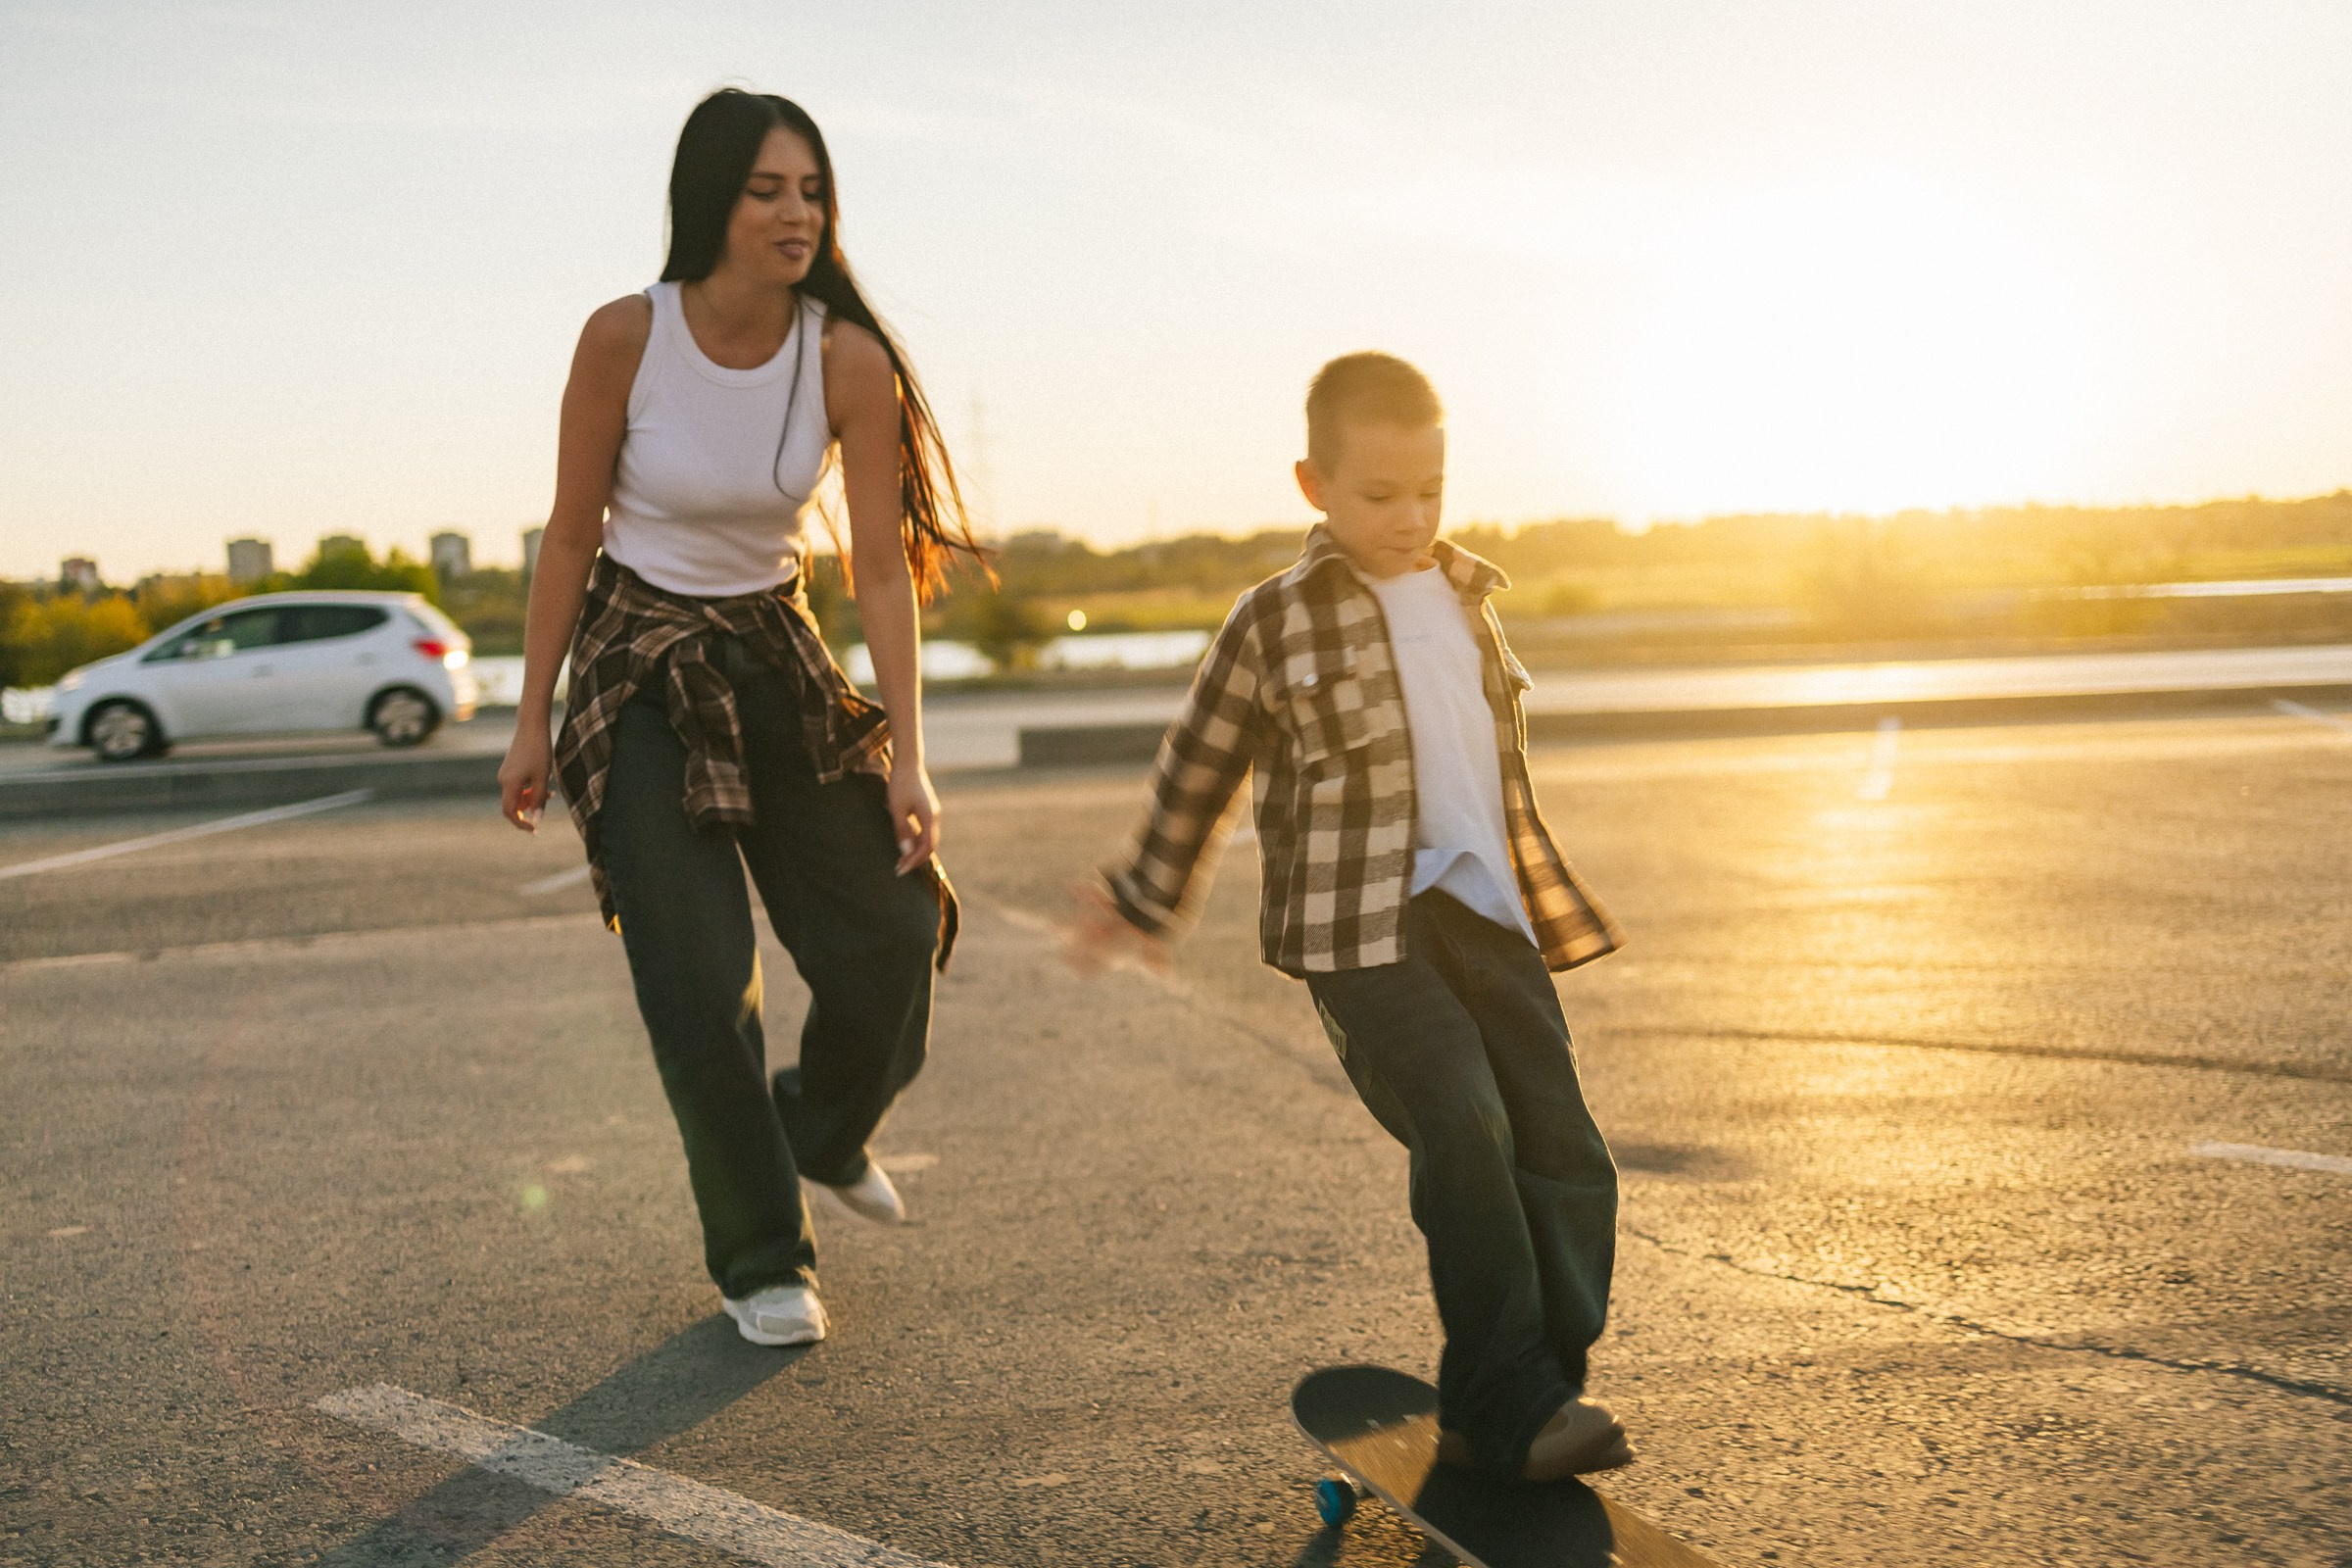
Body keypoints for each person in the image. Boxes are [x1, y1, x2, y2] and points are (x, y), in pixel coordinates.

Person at [1069, 353, 1633, 1481]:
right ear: (1313, 485)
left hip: (1486, 918)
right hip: (1361, 930)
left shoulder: (1470, 601)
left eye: (1431, 489)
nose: (1411, 517)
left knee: (1566, 1151)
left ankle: (1517, 1386)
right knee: (1467, 1126)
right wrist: (1145, 892)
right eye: (1381, 495)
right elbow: (1202, 761)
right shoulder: (1275, 620)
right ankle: (1513, 1399)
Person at [497, 88, 980, 1348]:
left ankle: (822, 1125)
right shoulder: (624, 338)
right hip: (637, 671)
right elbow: (568, 534)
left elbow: (878, 566)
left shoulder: (845, 358)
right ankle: (763, 1256)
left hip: (774, 653)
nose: (797, 213)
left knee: (891, 924)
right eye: (769, 190)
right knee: (698, 977)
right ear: (711, 198)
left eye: (812, 190)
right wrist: (531, 717)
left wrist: (911, 756)